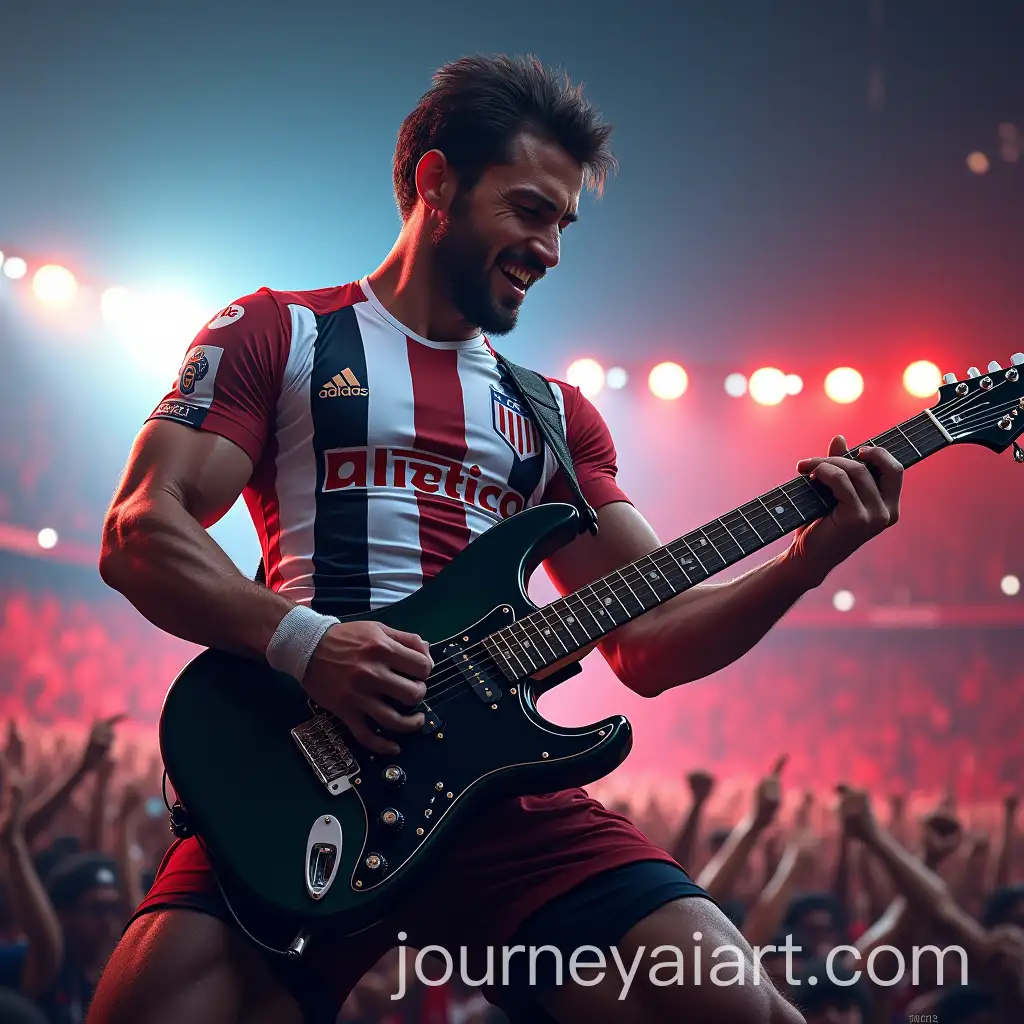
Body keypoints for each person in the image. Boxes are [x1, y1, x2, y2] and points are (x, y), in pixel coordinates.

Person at [89, 53, 903, 1024]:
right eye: (528, 210)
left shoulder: (551, 416)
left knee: (742, 1013)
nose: (551, 247)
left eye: (563, 222)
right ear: (436, 184)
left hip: (496, 787)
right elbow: (141, 528)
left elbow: (649, 639)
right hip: (308, 763)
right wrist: (312, 645)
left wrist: (804, 562)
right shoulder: (280, 333)